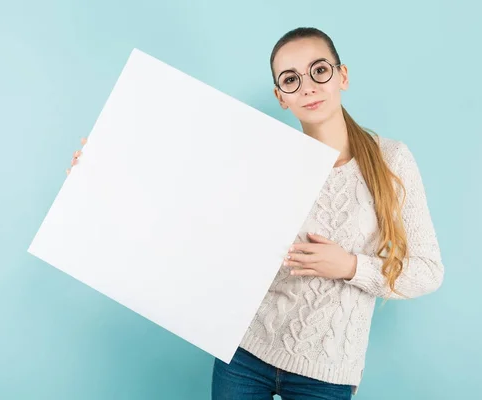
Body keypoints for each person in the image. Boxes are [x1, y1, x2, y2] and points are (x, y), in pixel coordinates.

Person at [67, 26, 444, 400]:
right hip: (245, 355)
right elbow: (180, 202)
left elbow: (427, 271)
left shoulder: (391, 160)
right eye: (291, 80)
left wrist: (349, 266)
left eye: (319, 70)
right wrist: (101, 171)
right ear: (281, 97)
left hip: (327, 371)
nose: (308, 87)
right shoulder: (267, 158)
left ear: (341, 76)